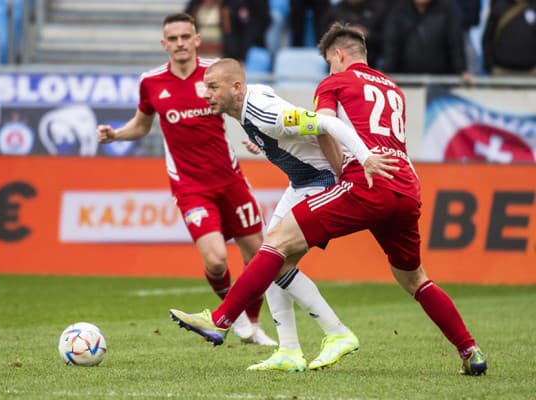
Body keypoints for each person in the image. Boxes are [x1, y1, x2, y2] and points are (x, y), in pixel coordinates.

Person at [169, 22, 488, 376]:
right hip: (406, 185)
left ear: (338, 55)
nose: (328, 69)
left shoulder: (335, 82)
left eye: (328, 62)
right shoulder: (393, 89)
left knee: (274, 244)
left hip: (366, 181)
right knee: (415, 279)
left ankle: (223, 319)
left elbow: (326, 126)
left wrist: (363, 159)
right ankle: (470, 350)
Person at [194, 58, 399, 371]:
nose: (206, 94)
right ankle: (289, 351)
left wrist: (366, 158)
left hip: (320, 181)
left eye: (212, 87)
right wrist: (264, 138)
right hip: (301, 182)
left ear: (236, 88)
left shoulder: (265, 114)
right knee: (272, 262)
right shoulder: (253, 103)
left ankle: (337, 333)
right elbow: (268, 97)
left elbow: (327, 124)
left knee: (273, 256)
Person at [97, 13, 276, 346]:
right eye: (173, 38)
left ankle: (252, 325)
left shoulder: (215, 74)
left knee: (257, 257)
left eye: (185, 37)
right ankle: (232, 317)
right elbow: (142, 125)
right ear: (164, 44)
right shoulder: (151, 82)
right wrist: (116, 134)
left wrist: (257, 137)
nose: (179, 43)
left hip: (231, 180)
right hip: (191, 188)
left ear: (197, 39)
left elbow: (243, 108)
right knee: (216, 259)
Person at [381, 0, 472, 81]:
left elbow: (455, 42)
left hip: (442, 82)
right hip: (406, 82)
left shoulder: (448, 8)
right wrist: (385, 71)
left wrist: (461, 70)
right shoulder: (398, 9)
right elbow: (391, 46)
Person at [482, 0, 536, 76]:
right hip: (501, 71)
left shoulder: (533, 6)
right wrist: (490, 66)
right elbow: (488, 38)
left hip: (531, 71)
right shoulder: (499, 6)